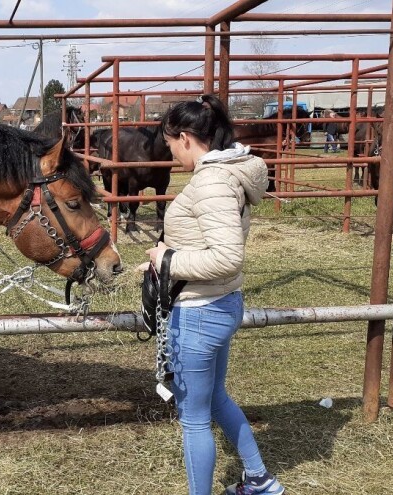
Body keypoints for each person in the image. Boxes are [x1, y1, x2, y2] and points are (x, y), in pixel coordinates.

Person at [143, 95, 284, 495]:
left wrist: (167, 258)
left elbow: (226, 257)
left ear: (185, 137)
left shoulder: (211, 182)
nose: (170, 154)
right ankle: (258, 479)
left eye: (170, 145)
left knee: (194, 419)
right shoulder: (231, 173)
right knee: (216, 398)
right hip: (220, 303)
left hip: (200, 312)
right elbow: (212, 246)